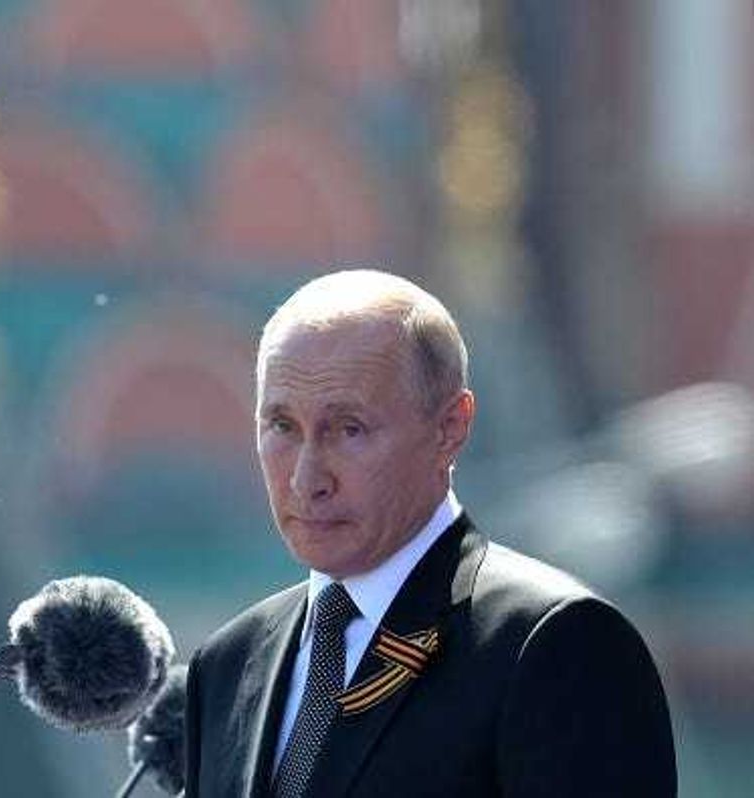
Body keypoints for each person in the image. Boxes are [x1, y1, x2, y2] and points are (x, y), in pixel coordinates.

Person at [183, 269, 676, 797]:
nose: (307, 480)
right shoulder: (227, 666)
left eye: (349, 429)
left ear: (450, 427)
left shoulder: (554, 644)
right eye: (282, 427)